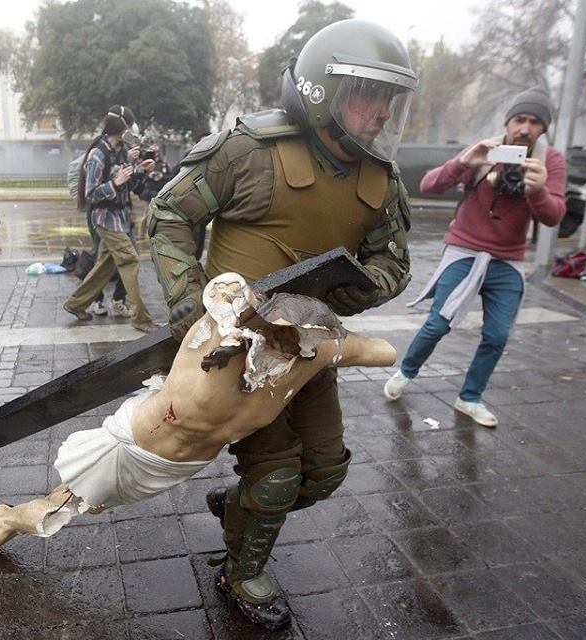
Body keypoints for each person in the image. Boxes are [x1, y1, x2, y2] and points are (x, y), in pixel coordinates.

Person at [146, 19, 416, 630]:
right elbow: (168, 215)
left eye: (389, 99)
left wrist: (367, 285)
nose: (380, 113)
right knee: (276, 474)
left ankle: (241, 509)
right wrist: (191, 304)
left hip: (309, 349)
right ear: (323, 89)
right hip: (235, 355)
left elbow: (394, 260)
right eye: (367, 94)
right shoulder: (249, 151)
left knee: (323, 473)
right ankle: (241, 572)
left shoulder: (380, 179)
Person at [0, 274, 396, 560]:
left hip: (178, 468)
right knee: (62, 509)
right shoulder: (214, 347)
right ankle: (5, 518)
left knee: (86, 506)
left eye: (296, 338)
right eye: (277, 330)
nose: (284, 345)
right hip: (133, 448)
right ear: (255, 322)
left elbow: (381, 351)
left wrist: (358, 299)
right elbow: (223, 289)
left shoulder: (306, 358)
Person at [383, 86, 567, 428]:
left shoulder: (550, 160)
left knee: (497, 335)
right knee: (438, 323)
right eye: (519, 120)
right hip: (465, 249)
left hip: (507, 259)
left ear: (544, 128)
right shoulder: (488, 149)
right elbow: (428, 185)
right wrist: (466, 160)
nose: (525, 129)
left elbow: (554, 216)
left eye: (534, 122)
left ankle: (469, 398)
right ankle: (406, 372)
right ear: (508, 122)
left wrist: (538, 190)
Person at [63, 105, 156, 332]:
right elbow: (91, 194)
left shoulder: (121, 151)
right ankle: (141, 318)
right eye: (128, 127)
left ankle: (76, 304)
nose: (130, 131)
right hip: (104, 218)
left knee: (105, 266)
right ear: (121, 127)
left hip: (121, 216)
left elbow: (129, 185)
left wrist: (141, 171)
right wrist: (115, 183)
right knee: (130, 259)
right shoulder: (98, 154)